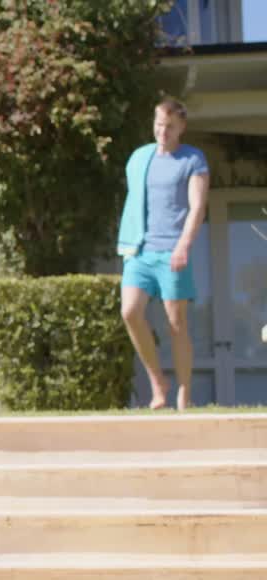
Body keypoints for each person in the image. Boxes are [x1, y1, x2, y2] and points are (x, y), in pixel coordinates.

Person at [117, 97, 210, 411]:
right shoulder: (139, 158)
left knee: (176, 322)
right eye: (158, 124)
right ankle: (158, 383)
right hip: (139, 250)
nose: (163, 131)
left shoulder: (192, 159)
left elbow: (197, 206)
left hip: (173, 249)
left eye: (169, 126)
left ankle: (184, 393)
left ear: (181, 127)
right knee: (130, 312)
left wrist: (183, 245)